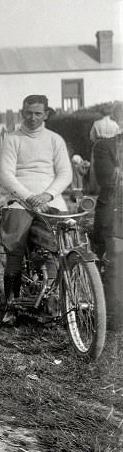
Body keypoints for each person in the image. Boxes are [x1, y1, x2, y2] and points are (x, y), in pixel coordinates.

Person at [0, 94, 73, 325]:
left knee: (51, 248)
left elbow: (65, 173)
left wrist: (48, 194)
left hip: (50, 200)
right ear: (22, 112)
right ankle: (12, 304)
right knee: (15, 248)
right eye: (29, 113)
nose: (33, 117)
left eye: (38, 113)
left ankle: (50, 304)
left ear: (46, 114)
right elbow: (6, 175)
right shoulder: (12, 139)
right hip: (20, 200)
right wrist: (29, 196)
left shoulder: (54, 140)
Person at [90, 124, 122, 330]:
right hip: (116, 208)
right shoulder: (106, 145)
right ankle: (115, 313)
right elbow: (108, 180)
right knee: (115, 259)